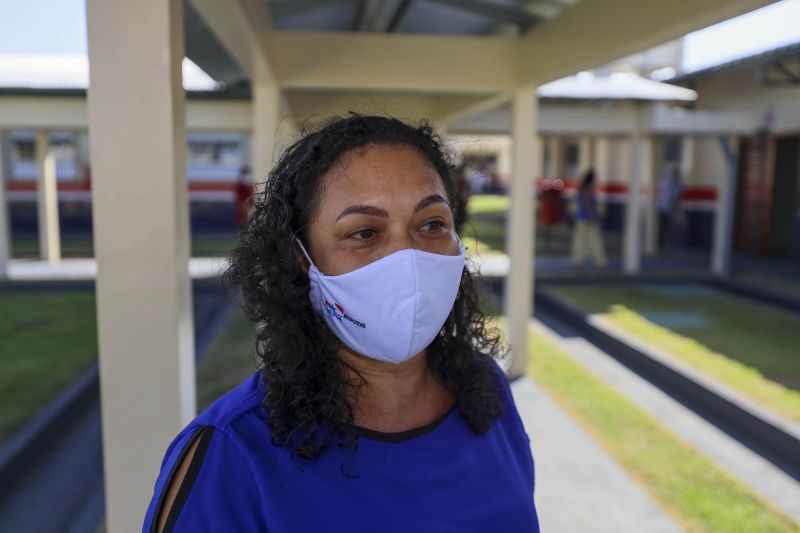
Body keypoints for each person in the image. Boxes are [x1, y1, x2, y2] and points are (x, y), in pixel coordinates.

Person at [142, 115, 540, 532]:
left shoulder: (487, 393)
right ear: (302, 260)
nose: (407, 258)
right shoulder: (233, 455)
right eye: (365, 232)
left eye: (432, 224)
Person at [570, 169, 607, 269]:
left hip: (581, 218)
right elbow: (589, 205)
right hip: (589, 219)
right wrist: (594, 216)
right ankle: (600, 262)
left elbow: (577, 204)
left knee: (580, 241)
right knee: (595, 241)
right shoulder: (589, 189)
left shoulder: (581, 189)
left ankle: (578, 261)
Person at [658, 166, 684, 249]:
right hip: (662, 207)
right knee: (661, 225)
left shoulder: (677, 184)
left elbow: (675, 198)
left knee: (663, 226)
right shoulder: (666, 182)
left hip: (666, 208)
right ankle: (659, 242)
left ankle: (660, 242)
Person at [233, 165, 255, 229]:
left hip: (248, 212)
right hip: (243, 213)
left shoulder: (248, 186)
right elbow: (241, 203)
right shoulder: (240, 186)